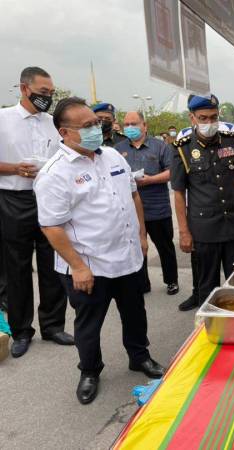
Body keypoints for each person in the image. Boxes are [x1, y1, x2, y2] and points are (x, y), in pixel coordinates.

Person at [34, 97, 165, 404]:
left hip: (127, 257)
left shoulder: (112, 157)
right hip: (88, 266)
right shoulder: (55, 173)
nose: (96, 129)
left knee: (135, 313)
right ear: (65, 133)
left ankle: (139, 356)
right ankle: (90, 370)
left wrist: (142, 235)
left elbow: (133, 196)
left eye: (96, 123)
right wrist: (78, 267)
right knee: (88, 324)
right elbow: (51, 226)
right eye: (87, 126)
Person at [0, 66, 72, 358]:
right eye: (43, 93)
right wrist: (15, 168)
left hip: (48, 199)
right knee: (16, 268)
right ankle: (21, 331)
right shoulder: (3, 119)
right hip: (13, 199)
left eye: (51, 93)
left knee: (51, 264)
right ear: (24, 89)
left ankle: (53, 326)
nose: (48, 98)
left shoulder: (52, 123)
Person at [171, 93, 234, 312]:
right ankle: (209, 328)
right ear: (192, 118)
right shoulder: (183, 147)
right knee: (207, 286)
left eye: (213, 117)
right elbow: (179, 193)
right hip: (204, 228)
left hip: (233, 224)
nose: (209, 122)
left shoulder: (230, 140)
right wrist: (184, 232)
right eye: (203, 118)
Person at [115, 111, 179, 296]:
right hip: (130, 209)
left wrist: (149, 180)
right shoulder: (118, 149)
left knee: (165, 247)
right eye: (126, 124)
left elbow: (171, 172)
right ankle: (142, 282)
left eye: (134, 124)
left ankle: (171, 280)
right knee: (136, 247)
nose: (129, 128)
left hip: (157, 207)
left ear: (145, 126)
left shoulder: (160, 147)